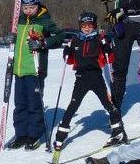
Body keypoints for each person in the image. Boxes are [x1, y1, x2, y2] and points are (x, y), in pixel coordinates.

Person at [54, 12, 126, 151]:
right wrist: (66, 52)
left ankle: (118, 132)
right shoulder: (75, 40)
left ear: (94, 26)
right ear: (80, 26)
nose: (87, 28)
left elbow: (109, 59)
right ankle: (60, 136)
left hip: (96, 77)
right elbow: (69, 61)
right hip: (81, 78)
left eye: (90, 26)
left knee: (108, 104)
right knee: (73, 106)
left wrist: (107, 48)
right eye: (84, 26)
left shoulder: (100, 39)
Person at [5, 0, 64, 150]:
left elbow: (60, 36)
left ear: (38, 5)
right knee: (20, 104)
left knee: (34, 103)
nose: (28, 10)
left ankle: (34, 134)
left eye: (31, 7)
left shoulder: (44, 20)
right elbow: (16, 39)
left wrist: (44, 42)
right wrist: (11, 38)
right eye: (25, 7)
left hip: (35, 70)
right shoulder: (20, 19)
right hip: (18, 70)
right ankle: (21, 134)